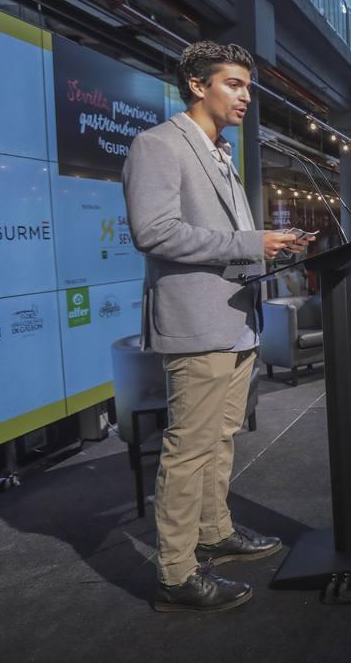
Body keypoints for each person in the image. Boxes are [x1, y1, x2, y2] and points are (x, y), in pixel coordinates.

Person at [123, 41, 311, 613]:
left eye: (248, 86)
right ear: (198, 85)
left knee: (222, 436)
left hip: (236, 320)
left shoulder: (221, 153)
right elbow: (153, 233)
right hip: (196, 322)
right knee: (188, 447)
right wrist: (249, 243)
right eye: (234, 84)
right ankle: (176, 574)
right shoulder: (157, 145)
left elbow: (228, 242)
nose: (246, 96)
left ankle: (215, 530)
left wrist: (269, 251)